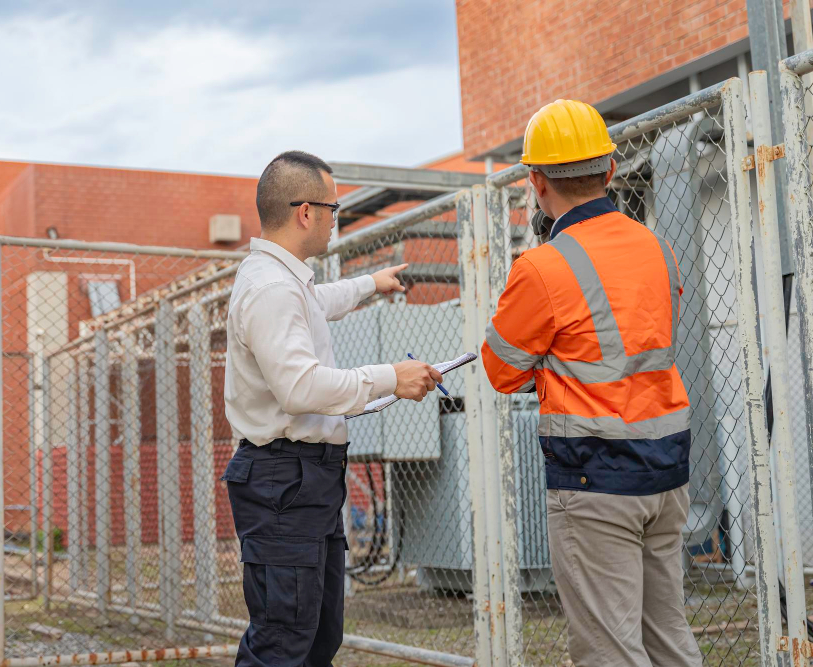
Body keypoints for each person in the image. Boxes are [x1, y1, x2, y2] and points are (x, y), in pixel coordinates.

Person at [481, 100, 703, 666]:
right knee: (669, 640)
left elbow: (503, 371)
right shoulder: (658, 248)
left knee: (610, 652)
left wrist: (549, 367)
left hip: (595, 479)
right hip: (667, 474)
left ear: (535, 182)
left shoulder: (541, 268)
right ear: (608, 170)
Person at [221, 150, 443, 667]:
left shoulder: (283, 280)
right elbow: (300, 388)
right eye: (333, 208)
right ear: (305, 212)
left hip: (301, 479)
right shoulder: (273, 288)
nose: (334, 218)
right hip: (285, 478)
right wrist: (393, 377)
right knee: (283, 640)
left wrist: (370, 283)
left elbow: (318, 304)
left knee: (317, 634)